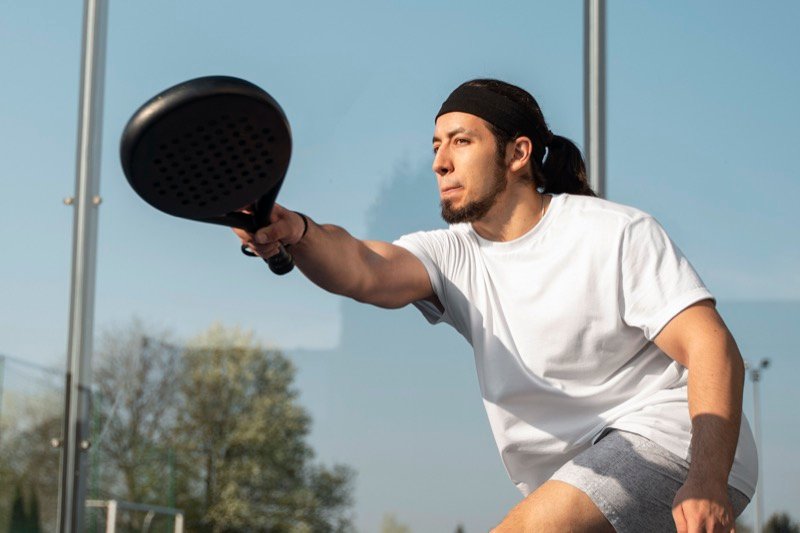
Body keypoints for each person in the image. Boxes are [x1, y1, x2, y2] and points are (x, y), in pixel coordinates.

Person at [233, 79, 757, 532]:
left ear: (517, 153)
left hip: (671, 442)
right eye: (436, 145)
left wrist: (706, 479)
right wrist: (296, 230)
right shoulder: (454, 255)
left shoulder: (613, 232)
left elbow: (711, 347)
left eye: (461, 142)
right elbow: (362, 268)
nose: (440, 162)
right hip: (571, 477)